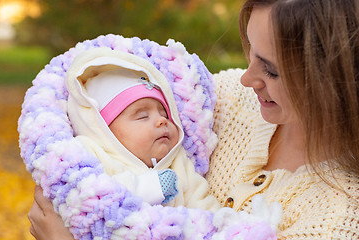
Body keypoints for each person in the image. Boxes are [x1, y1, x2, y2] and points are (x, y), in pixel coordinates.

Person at [27, 0, 359, 238]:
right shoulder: (221, 100)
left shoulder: (339, 219)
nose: (248, 78)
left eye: (271, 70)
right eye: (251, 53)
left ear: (334, 81)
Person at [65, 47, 222, 208]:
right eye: (143, 116)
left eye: (165, 114)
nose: (162, 120)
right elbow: (92, 195)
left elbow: (203, 205)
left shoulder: (179, 163)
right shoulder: (93, 153)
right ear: (105, 131)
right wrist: (149, 188)